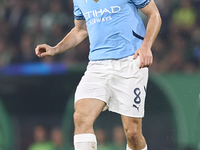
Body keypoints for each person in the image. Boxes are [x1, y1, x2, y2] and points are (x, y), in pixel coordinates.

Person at [35, 0, 161, 150]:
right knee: (81, 117)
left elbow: (155, 14)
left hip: (130, 62)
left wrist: (146, 47)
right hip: (97, 66)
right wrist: (55, 49)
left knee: (133, 133)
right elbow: (80, 30)